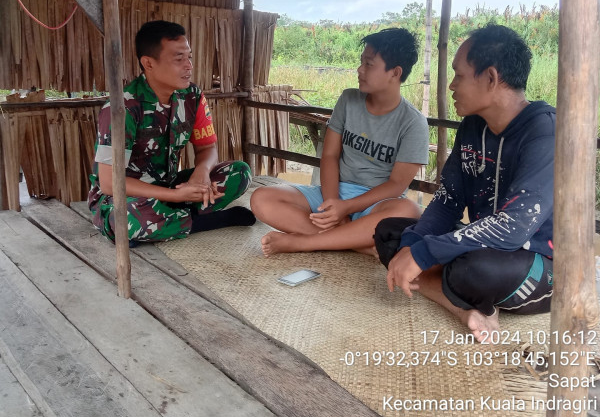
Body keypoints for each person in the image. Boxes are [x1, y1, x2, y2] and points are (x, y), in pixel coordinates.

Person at [377, 24, 555, 342]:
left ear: (490, 78)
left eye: (459, 75)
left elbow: (513, 226)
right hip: (481, 246)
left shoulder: (545, 131)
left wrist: (424, 254)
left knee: (471, 270)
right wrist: (411, 247)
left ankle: (449, 286)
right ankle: (466, 308)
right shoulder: (472, 126)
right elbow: (448, 201)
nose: (452, 85)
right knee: (391, 234)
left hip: (537, 261)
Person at [251, 28, 430, 256]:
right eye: (361, 62)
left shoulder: (413, 123)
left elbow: (396, 185)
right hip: (334, 192)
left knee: (409, 210)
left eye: (369, 64)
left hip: (376, 204)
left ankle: (303, 243)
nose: (360, 69)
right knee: (262, 198)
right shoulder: (348, 99)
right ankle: (358, 243)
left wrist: (348, 208)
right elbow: (330, 156)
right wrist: (333, 204)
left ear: (395, 73)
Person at [88, 20, 254, 245]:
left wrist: (202, 173)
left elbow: (207, 147)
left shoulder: (192, 96)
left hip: (171, 186)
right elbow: (109, 183)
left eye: (189, 57)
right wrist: (177, 195)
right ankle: (204, 221)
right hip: (125, 197)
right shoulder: (122, 108)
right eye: (179, 59)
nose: (189, 66)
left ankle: (170, 220)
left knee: (240, 173)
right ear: (148, 63)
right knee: (126, 219)